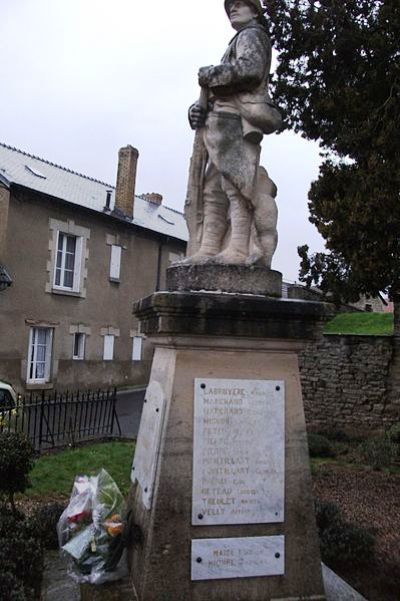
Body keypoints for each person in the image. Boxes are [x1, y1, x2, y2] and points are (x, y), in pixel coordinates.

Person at [185, 0, 281, 267]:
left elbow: (250, 70)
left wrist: (211, 73)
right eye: (230, 7)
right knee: (213, 187)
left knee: (235, 183)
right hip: (219, 119)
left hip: (236, 120)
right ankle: (209, 246)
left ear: (255, 9)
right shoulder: (238, 39)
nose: (233, 10)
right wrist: (196, 108)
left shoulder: (253, 35)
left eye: (239, 4)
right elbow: (214, 93)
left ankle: (238, 247)